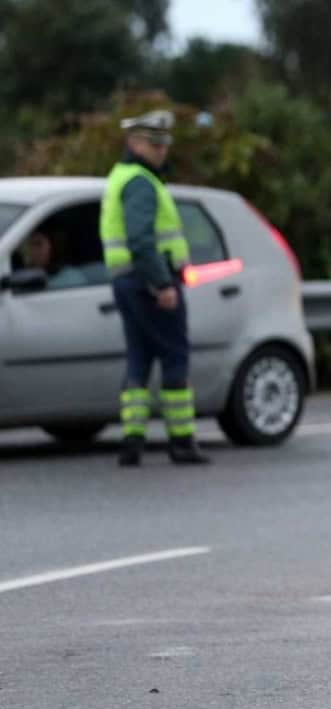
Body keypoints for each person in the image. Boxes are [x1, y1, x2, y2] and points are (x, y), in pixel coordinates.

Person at [100, 109, 210, 467]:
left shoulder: (121, 177)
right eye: (154, 143)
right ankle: (181, 441)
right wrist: (162, 283)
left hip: (126, 281)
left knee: (139, 359)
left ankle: (132, 440)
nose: (161, 150)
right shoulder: (141, 183)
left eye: (164, 143)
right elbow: (141, 240)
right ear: (133, 143)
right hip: (149, 280)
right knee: (175, 355)